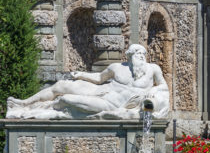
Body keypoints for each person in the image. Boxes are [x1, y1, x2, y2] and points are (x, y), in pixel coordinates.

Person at [7, 44, 169, 119]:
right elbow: (99, 78)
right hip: (101, 90)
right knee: (61, 86)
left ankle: (39, 110)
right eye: (136, 53)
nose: (140, 56)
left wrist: (153, 91)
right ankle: (23, 103)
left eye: (142, 53)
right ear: (129, 55)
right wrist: (81, 74)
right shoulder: (116, 67)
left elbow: (163, 86)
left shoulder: (152, 69)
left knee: (65, 99)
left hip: (112, 104)